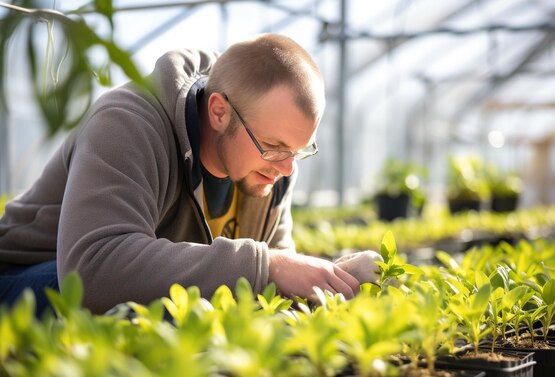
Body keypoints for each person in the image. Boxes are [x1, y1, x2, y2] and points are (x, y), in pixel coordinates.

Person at [0, 33, 362, 315]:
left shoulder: (271, 167)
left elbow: (276, 280)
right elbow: (93, 272)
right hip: (25, 280)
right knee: (160, 304)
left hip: (95, 287)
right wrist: (265, 266)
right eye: (274, 145)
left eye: (299, 151)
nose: (287, 168)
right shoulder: (128, 124)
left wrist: (337, 278)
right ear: (219, 112)